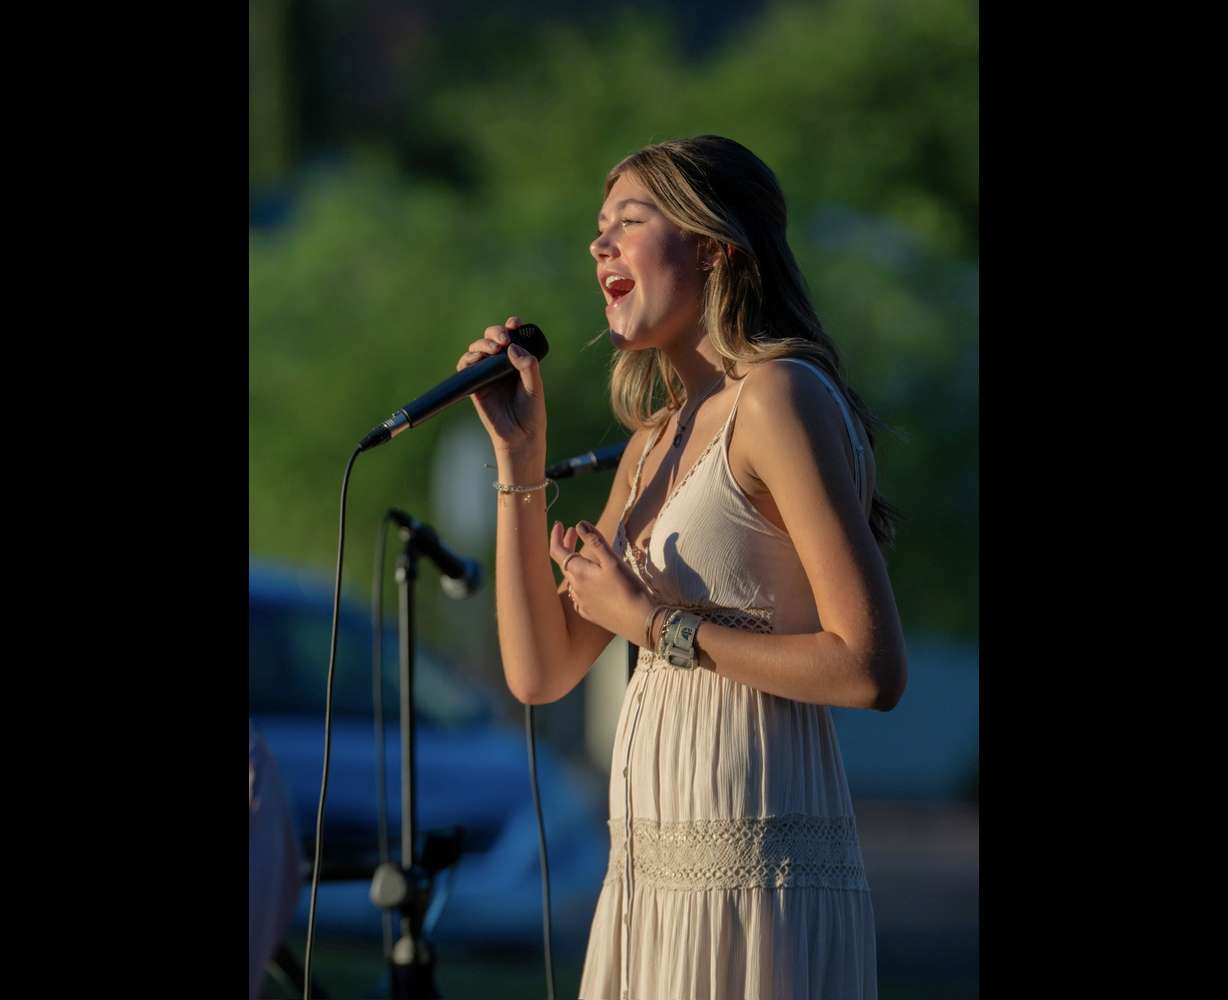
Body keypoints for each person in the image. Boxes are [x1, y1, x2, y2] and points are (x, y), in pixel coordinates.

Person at [457, 135, 908, 1000]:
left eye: (630, 222)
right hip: (650, 886)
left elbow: (869, 667)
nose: (600, 246)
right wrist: (521, 460)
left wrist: (657, 629)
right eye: (598, 230)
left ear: (713, 245)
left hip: (756, 875)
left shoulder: (780, 397)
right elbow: (541, 670)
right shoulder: (650, 444)